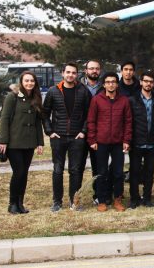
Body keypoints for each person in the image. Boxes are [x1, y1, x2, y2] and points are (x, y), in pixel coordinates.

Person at [43, 62, 92, 212]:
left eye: (73, 73)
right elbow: (45, 113)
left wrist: (83, 131)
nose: (70, 75)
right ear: (63, 73)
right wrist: (50, 131)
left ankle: (74, 201)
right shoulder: (53, 91)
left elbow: (89, 114)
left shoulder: (83, 91)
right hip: (58, 136)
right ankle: (57, 202)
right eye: (68, 72)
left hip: (77, 137)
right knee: (58, 170)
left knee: (75, 170)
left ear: (77, 74)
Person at [0, 71, 44, 214]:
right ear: (21, 82)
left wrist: (40, 142)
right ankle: (12, 204)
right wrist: (3, 141)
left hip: (29, 143)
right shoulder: (12, 97)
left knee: (24, 173)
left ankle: (20, 204)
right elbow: (4, 119)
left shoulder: (36, 98)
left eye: (32, 81)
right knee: (18, 172)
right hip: (14, 142)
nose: (29, 83)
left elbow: (38, 122)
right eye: (26, 80)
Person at [87, 72, 133, 212]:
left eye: (113, 82)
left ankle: (117, 199)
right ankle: (102, 200)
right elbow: (91, 121)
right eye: (108, 82)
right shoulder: (97, 100)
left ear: (117, 84)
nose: (111, 84)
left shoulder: (124, 100)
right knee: (102, 172)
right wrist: (92, 139)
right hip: (101, 142)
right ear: (104, 84)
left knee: (118, 173)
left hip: (118, 142)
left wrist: (126, 140)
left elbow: (128, 121)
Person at [128, 71, 154, 208]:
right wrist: (129, 140)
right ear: (141, 82)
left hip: (153, 142)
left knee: (149, 172)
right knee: (134, 171)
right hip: (136, 142)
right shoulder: (132, 100)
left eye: (151, 82)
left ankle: (147, 198)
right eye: (146, 81)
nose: (148, 84)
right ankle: (134, 198)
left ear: (153, 84)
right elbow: (129, 122)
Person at [80, 59, 103, 205]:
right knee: (78, 167)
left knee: (98, 166)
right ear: (86, 70)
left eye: (97, 68)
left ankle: (98, 195)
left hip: (99, 132)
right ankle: (76, 196)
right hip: (81, 132)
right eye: (91, 68)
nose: (94, 71)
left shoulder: (105, 86)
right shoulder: (78, 86)